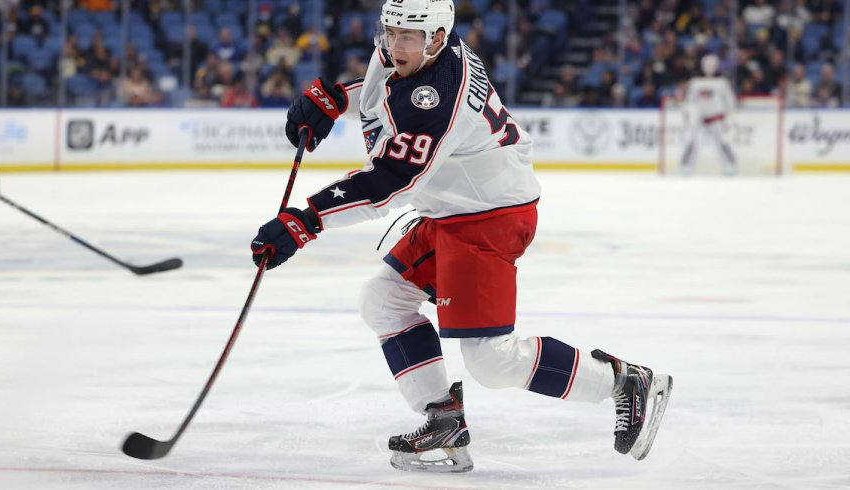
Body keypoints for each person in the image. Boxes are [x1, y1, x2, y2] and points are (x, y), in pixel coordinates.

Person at [250, 0, 673, 473]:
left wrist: (305, 221)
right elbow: (385, 92)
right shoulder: (425, 52)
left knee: (491, 360)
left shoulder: (436, 98)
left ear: (434, 37)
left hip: (487, 216)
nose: (393, 44)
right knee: (384, 302)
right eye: (388, 32)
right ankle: (444, 419)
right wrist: (336, 100)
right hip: (456, 208)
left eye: (406, 36)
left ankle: (621, 382)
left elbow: (388, 183)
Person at [678, 53, 739, 176]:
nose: (709, 67)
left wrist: (728, 116)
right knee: (693, 144)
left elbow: (730, 102)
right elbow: (690, 102)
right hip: (700, 121)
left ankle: (730, 166)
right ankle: (686, 167)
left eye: (712, 65)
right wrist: (690, 117)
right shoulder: (695, 83)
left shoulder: (722, 83)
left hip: (717, 119)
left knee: (722, 144)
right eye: (707, 64)